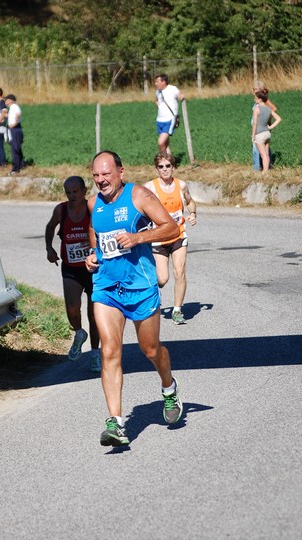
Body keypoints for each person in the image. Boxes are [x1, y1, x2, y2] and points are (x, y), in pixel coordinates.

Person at [85, 150, 183, 447]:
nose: (101, 180)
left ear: (121, 172)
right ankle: (116, 422)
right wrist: (94, 254)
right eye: (96, 176)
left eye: (106, 174)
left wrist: (138, 238)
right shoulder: (94, 204)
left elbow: (171, 227)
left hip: (140, 287)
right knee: (110, 350)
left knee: (150, 349)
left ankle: (169, 388)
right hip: (107, 287)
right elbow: (94, 229)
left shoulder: (138, 196)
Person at [45, 176, 101, 373]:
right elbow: (50, 226)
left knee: (94, 314)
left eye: (75, 191)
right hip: (70, 267)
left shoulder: (92, 208)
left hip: (93, 268)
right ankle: (79, 333)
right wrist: (49, 248)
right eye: (68, 192)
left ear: (84, 191)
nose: (71, 196)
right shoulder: (61, 210)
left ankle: (95, 354)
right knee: (72, 309)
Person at [144, 152, 197, 324]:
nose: (165, 169)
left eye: (168, 166)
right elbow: (139, 209)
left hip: (178, 235)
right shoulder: (150, 188)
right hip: (158, 238)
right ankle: (154, 291)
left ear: (173, 167)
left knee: (179, 272)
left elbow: (190, 201)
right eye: (161, 166)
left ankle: (177, 310)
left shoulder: (181, 185)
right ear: (156, 169)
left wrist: (193, 213)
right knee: (162, 278)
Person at [251, 91, 282, 173]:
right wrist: (270, 127)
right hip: (267, 133)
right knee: (267, 154)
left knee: (263, 155)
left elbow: (255, 123)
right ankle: (267, 170)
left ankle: (265, 172)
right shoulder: (268, 109)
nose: (254, 99)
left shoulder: (256, 109)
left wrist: (253, 135)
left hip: (259, 134)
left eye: (256, 98)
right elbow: (279, 119)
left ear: (260, 99)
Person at [155, 73, 185, 154]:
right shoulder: (158, 91)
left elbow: (179, 95)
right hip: (159, 120)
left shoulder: (172, 89)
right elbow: (156, 100)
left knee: (160, 142)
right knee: (165, 144)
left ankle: (164, 161)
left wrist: (181, 96)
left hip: (170, 119)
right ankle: (170, 163)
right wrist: (160, 107)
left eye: (157, 81)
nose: (156, 83)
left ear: (163, 81)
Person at [4, 94, 25, 175]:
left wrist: (14, 123)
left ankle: (15, 169)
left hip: (15, 129)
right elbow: (10, 116)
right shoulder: (11, 108)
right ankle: (21, 165)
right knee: (17, 148)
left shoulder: (14, 106)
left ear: (11, 100)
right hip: (15, 129)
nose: (5, 101)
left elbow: (18, 113)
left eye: (7, 99)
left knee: (14, 149)